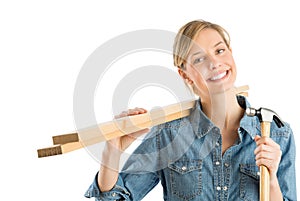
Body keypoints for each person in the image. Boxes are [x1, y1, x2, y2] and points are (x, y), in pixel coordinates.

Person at [85, 19, 297, 200]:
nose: (214, 62)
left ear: (231, 54)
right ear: (184, 75)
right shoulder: (168, 135)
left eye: (220, 50)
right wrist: (112, 150)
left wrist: (271, 179)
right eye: (199, 59)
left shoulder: (277, 134)